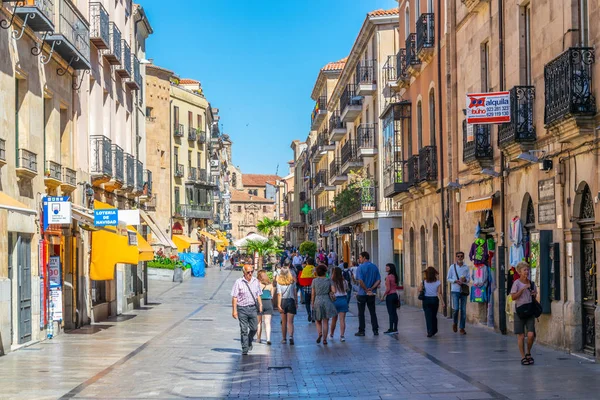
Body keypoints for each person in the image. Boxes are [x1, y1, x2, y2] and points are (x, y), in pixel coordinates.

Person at [231, 265, 263, 355]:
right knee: (244, 329)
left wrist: (260, 304)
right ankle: (245, 348)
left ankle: (249, 340)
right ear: (244, 272)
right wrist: (234, 310)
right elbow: (234, 297)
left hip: (252, 308)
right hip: (242, 309)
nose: (250, 274)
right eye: (248, 272)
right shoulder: (239, 282)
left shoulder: (256, 281)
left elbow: (258, 294)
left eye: (251, 272)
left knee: (254, 328)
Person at [510, 261, 538, 365]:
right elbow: (513, 297)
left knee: (531, 335)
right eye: (524, 270)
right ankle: (523, 357)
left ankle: (528, 352)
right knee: (521, 336)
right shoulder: (516, 283)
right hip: (519, 311)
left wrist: (534, 294)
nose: (527, 272)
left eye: (527, 270)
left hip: (530, 310)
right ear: (520, 272)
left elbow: (535, 297)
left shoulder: (532, 283)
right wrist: (522, 289)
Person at [355, 252, 381, 336]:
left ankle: (362, 330)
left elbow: (360, 281)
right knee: (372, 312)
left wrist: (366, 290)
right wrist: (372, 288)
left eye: (360, 257)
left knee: (361, 313)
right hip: (371, 294)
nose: (359, 259)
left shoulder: (360, 268)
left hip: (362, 293)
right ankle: (375, 329)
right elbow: (378, 280)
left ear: (364, 257)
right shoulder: (374, 267)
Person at [311, 264, 338, 345]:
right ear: (325, 272)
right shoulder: (329, 280)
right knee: (325, 321)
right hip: (327, 300)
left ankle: (320, 333)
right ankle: (325, 340)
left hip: (317, 300)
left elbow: (313, 293)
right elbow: (334, 290)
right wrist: (330, 291)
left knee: (318, 320)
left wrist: (312, 303)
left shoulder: (314, 281)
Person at [447, 251, 471, 334]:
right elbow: (448, 278)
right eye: (458, 256)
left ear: (463, 257)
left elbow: (468, 278)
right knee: (456, 309)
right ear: (456, 257)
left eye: (461, 256)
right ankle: (455, 323)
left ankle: (462, 328)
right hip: (455, 290)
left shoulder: (466, 267)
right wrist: (455, 281)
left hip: (463, 290)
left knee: (463, 310)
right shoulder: (452, 267)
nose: (460, 258)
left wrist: (465, 280)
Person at [418, 266, 445, 338]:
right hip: (434, 300)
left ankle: (429, 331)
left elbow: (419, 289)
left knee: (428, 316)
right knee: (434, 316)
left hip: (426, 300)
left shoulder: (423, 282)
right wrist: (443, 302)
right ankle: (434, 329)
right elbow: (440, 293)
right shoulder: (438, 282)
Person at [276, 262, 297, 345]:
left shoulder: (279, 282)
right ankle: (291, 336)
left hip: (283, 301)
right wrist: (296, 302)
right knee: (290, 322)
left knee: (283, 322)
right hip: (291, 301)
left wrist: (278, 305)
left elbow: (279, 294)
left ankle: (284, 338)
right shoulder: (292, 282)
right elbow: (295, 293)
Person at [330, 267, 349, 341]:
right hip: (343, 300)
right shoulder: (345, 281)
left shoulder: (332, 281)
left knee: (334, 320)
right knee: (342, 320)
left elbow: (331, 291)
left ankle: (331, 334)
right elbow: (346, 290)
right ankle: (342, 336)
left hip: (335, 301)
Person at [256, 270, 274, 345]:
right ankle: (268, 339)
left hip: (260, 303)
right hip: (268, 303)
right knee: (267, 322)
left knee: (259, 322)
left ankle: (258, 338)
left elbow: (256, 295)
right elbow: (272, 296)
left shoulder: (258, 284)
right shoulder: (270, 285)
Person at [382, 263, 400, 334]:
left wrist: (383, 296)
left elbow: (388, 288)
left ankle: (391, 329)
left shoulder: (388, 277)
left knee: (390, 313)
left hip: (390, 296)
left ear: (390, 268)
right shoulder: (395, 276)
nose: (386, 268)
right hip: (395, 295)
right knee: (394, 312)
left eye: (387, 267)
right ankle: (395, 328)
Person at [299, 258, 316, 322]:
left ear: (307, 263)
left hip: (306, 290)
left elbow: (302, 278)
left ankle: (309, 313)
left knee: (307, 303)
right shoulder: (315, 269)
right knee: (313, 303)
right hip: (314, 290)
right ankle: (313, 316)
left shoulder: (304, 269)